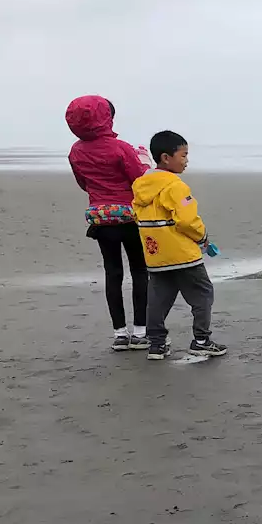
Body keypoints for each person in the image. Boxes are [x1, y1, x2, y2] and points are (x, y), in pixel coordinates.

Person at [65, 95, 152, 352]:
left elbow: (83, 183)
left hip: (101, 218)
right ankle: (140, 332)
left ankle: (119, 334)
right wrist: (144, 162)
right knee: (139, 270)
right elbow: (139, 180)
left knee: (112, 273)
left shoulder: (76, 151)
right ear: (106, 118)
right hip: (129, 216)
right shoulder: (121, 148)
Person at [131, 130, 227, 361]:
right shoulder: (176, 186)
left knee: (158, 298)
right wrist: (203, 237)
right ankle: (201, 341)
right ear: (166, 157)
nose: (186, 161)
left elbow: (135, 214)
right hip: (183, 254)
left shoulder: (141, 185)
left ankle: (157, 344)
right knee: (202, 294)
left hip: (155, 253)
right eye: (183, 155)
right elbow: (187, 220)